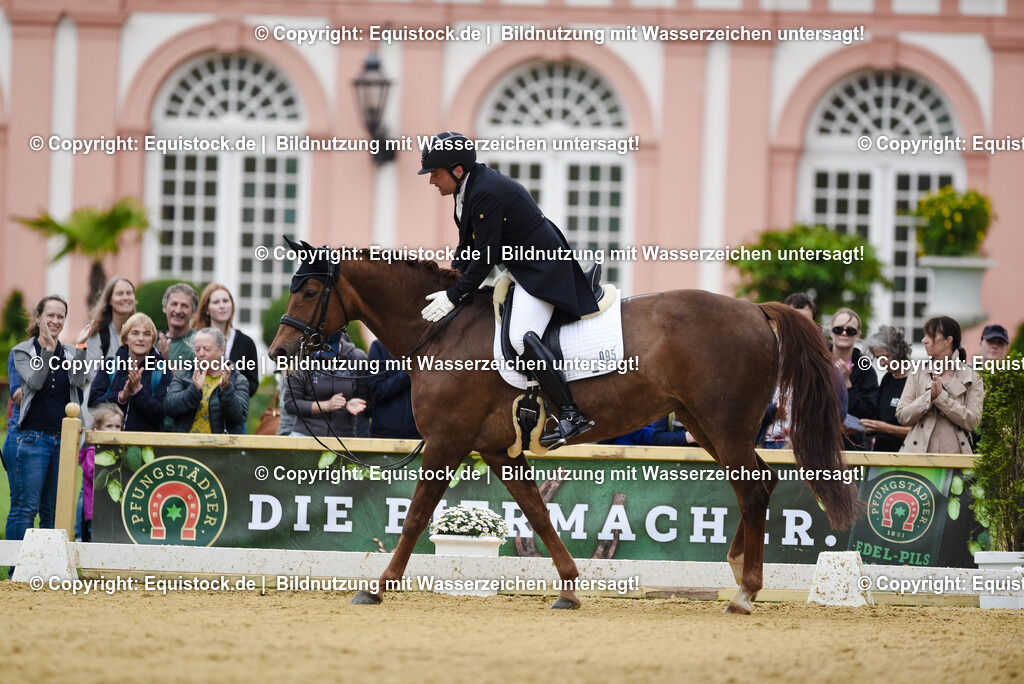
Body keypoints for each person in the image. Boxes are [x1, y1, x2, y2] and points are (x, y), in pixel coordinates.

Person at [418, 131, 599, 448]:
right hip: (520, 269)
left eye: (435, 173)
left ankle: (571, 414)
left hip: (542, 271)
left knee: (520, 336)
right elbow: (468, 246)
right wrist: (450, 281)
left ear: (457, 171)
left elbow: (485, 256)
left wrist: (455, 295)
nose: (431, 181)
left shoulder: (485, 191)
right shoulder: (466, 192)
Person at [9, 296, 92, 541]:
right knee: (26, 508)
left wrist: (80, 347)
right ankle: (15, 571)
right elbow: (34, 383)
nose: (55, 321)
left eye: (60, 316)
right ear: (38, 318)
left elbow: (77, 381)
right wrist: (46, 351)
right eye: (50, 316)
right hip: (34, 439)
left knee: (52, 511)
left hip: (63, 440)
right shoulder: (23, 351)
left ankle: (45, 570)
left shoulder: (66, 352)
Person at [896, 316, 984, 454]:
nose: (924, 340)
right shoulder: (918, 372)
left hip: (955, 459)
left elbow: (973, 422)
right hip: (916, 456)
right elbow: (902, 416)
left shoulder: (972, 376)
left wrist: (942, 398)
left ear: (948, 340)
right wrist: (929, 397)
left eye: (930, 335)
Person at [88, 313, 171, 432]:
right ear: (126, 339)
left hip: (146, 445)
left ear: (152, 340)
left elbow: (161, 413)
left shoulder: (162, 370)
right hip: (111, 444)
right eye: (135, 333)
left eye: (147, 334)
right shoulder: (110, 365)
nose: (141, 338)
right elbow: (93, 404)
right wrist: (121, 397)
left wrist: (138, 391)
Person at [164, 327, 249, 434]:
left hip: (220, 447)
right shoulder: (183, 375)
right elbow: (169, 408)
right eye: (197, 349)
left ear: (222, 350)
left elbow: (239, 418)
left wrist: (226, 389)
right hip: (186, 447)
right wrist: (194, 390)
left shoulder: (238, 379)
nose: (201, 354)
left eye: (207, 349)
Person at [284, 333, 370, 438]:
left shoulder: (358, 358)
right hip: (305, 434)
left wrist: (350, 404)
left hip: (344, 436)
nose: (326, 357)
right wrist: (326, 406)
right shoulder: (302, 358)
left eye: (330, 350)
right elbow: (291, 403)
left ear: (341, 337)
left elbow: (367, 398)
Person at [193, 283, 260, 397]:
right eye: (216, 302)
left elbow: (252, 384)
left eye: (225, 301)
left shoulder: (246, 343)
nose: (222, 306)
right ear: (206, 310)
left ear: (232, 306)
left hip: (233, 409)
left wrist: (228, 386)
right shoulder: (195, 340)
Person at [828, 307, 878, 450]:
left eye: (850, 331)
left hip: (853, 447)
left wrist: (847, 383)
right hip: (816, 442)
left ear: (858, 335)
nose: (844, 333)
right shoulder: (817, 362)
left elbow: (868, 415)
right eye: (838, 329)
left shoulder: (866, 369)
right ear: (831, 332)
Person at [860, 325, 913, 453]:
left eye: (885, 357)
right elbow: (879, 418)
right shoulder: (887, 379)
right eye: (878, 359)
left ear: (898, 351)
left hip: (907, 457)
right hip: (882, 456)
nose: (882, 363)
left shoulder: (917, 379)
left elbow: (921, 432)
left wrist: (886, 428)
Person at [79, 403, 123, 542]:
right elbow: (97, 477)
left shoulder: (122, 451)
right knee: (97, 542)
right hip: (96, 510)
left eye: (118, 427)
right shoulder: (92, 452)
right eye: (109, 426)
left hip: (115, 510)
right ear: (97, 428)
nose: (114, 431)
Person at [367, 340, 419, 439]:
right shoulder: (379, 346)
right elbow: (377, 392)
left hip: (420, 436)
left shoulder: (427, 346)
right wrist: (407, 373)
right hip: (385, 434)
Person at [85, 276, 136, 365]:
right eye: (120, 294)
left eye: (129, 293)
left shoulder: (142, 332)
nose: (125, 297)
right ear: (109, 300)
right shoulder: (96, 333)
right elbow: (93, 374)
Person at [4, 348, 23, 544]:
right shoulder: (19, 353)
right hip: (18, 436)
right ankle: (13, 565)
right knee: (19, 506)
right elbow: (17, 397)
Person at [158, 283, 198, 363]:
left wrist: (165, 361)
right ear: (164, 307)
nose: (178, 310)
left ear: (194, 312)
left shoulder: (200, 343)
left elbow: (196, 375)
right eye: (174, 304)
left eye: (184, 306)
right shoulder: (153, 340)